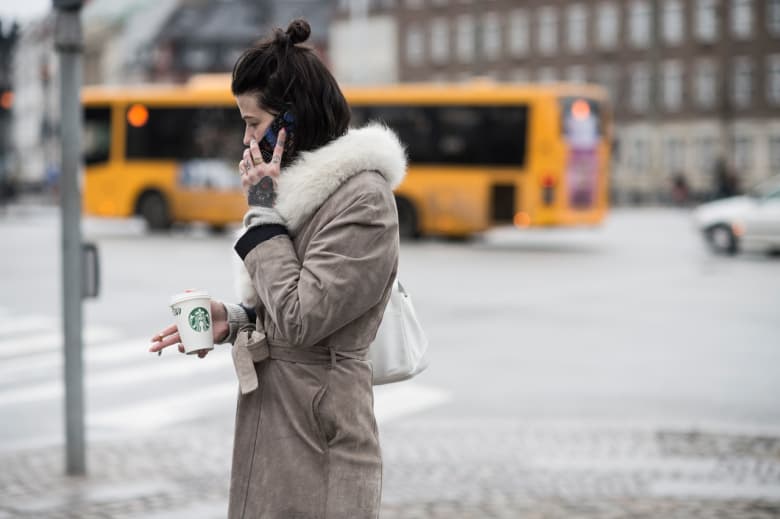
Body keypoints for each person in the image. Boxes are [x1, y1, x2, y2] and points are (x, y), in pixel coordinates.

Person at [149, 19, 406, 519]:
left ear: (292, 122)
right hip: (281, 422)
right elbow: (289, 303)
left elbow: (303, 319)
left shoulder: (364, 201)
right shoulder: (307, 195)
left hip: (319, 434)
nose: (245, 140)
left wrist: (263, 212)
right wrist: (236, 319)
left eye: (253, 122)